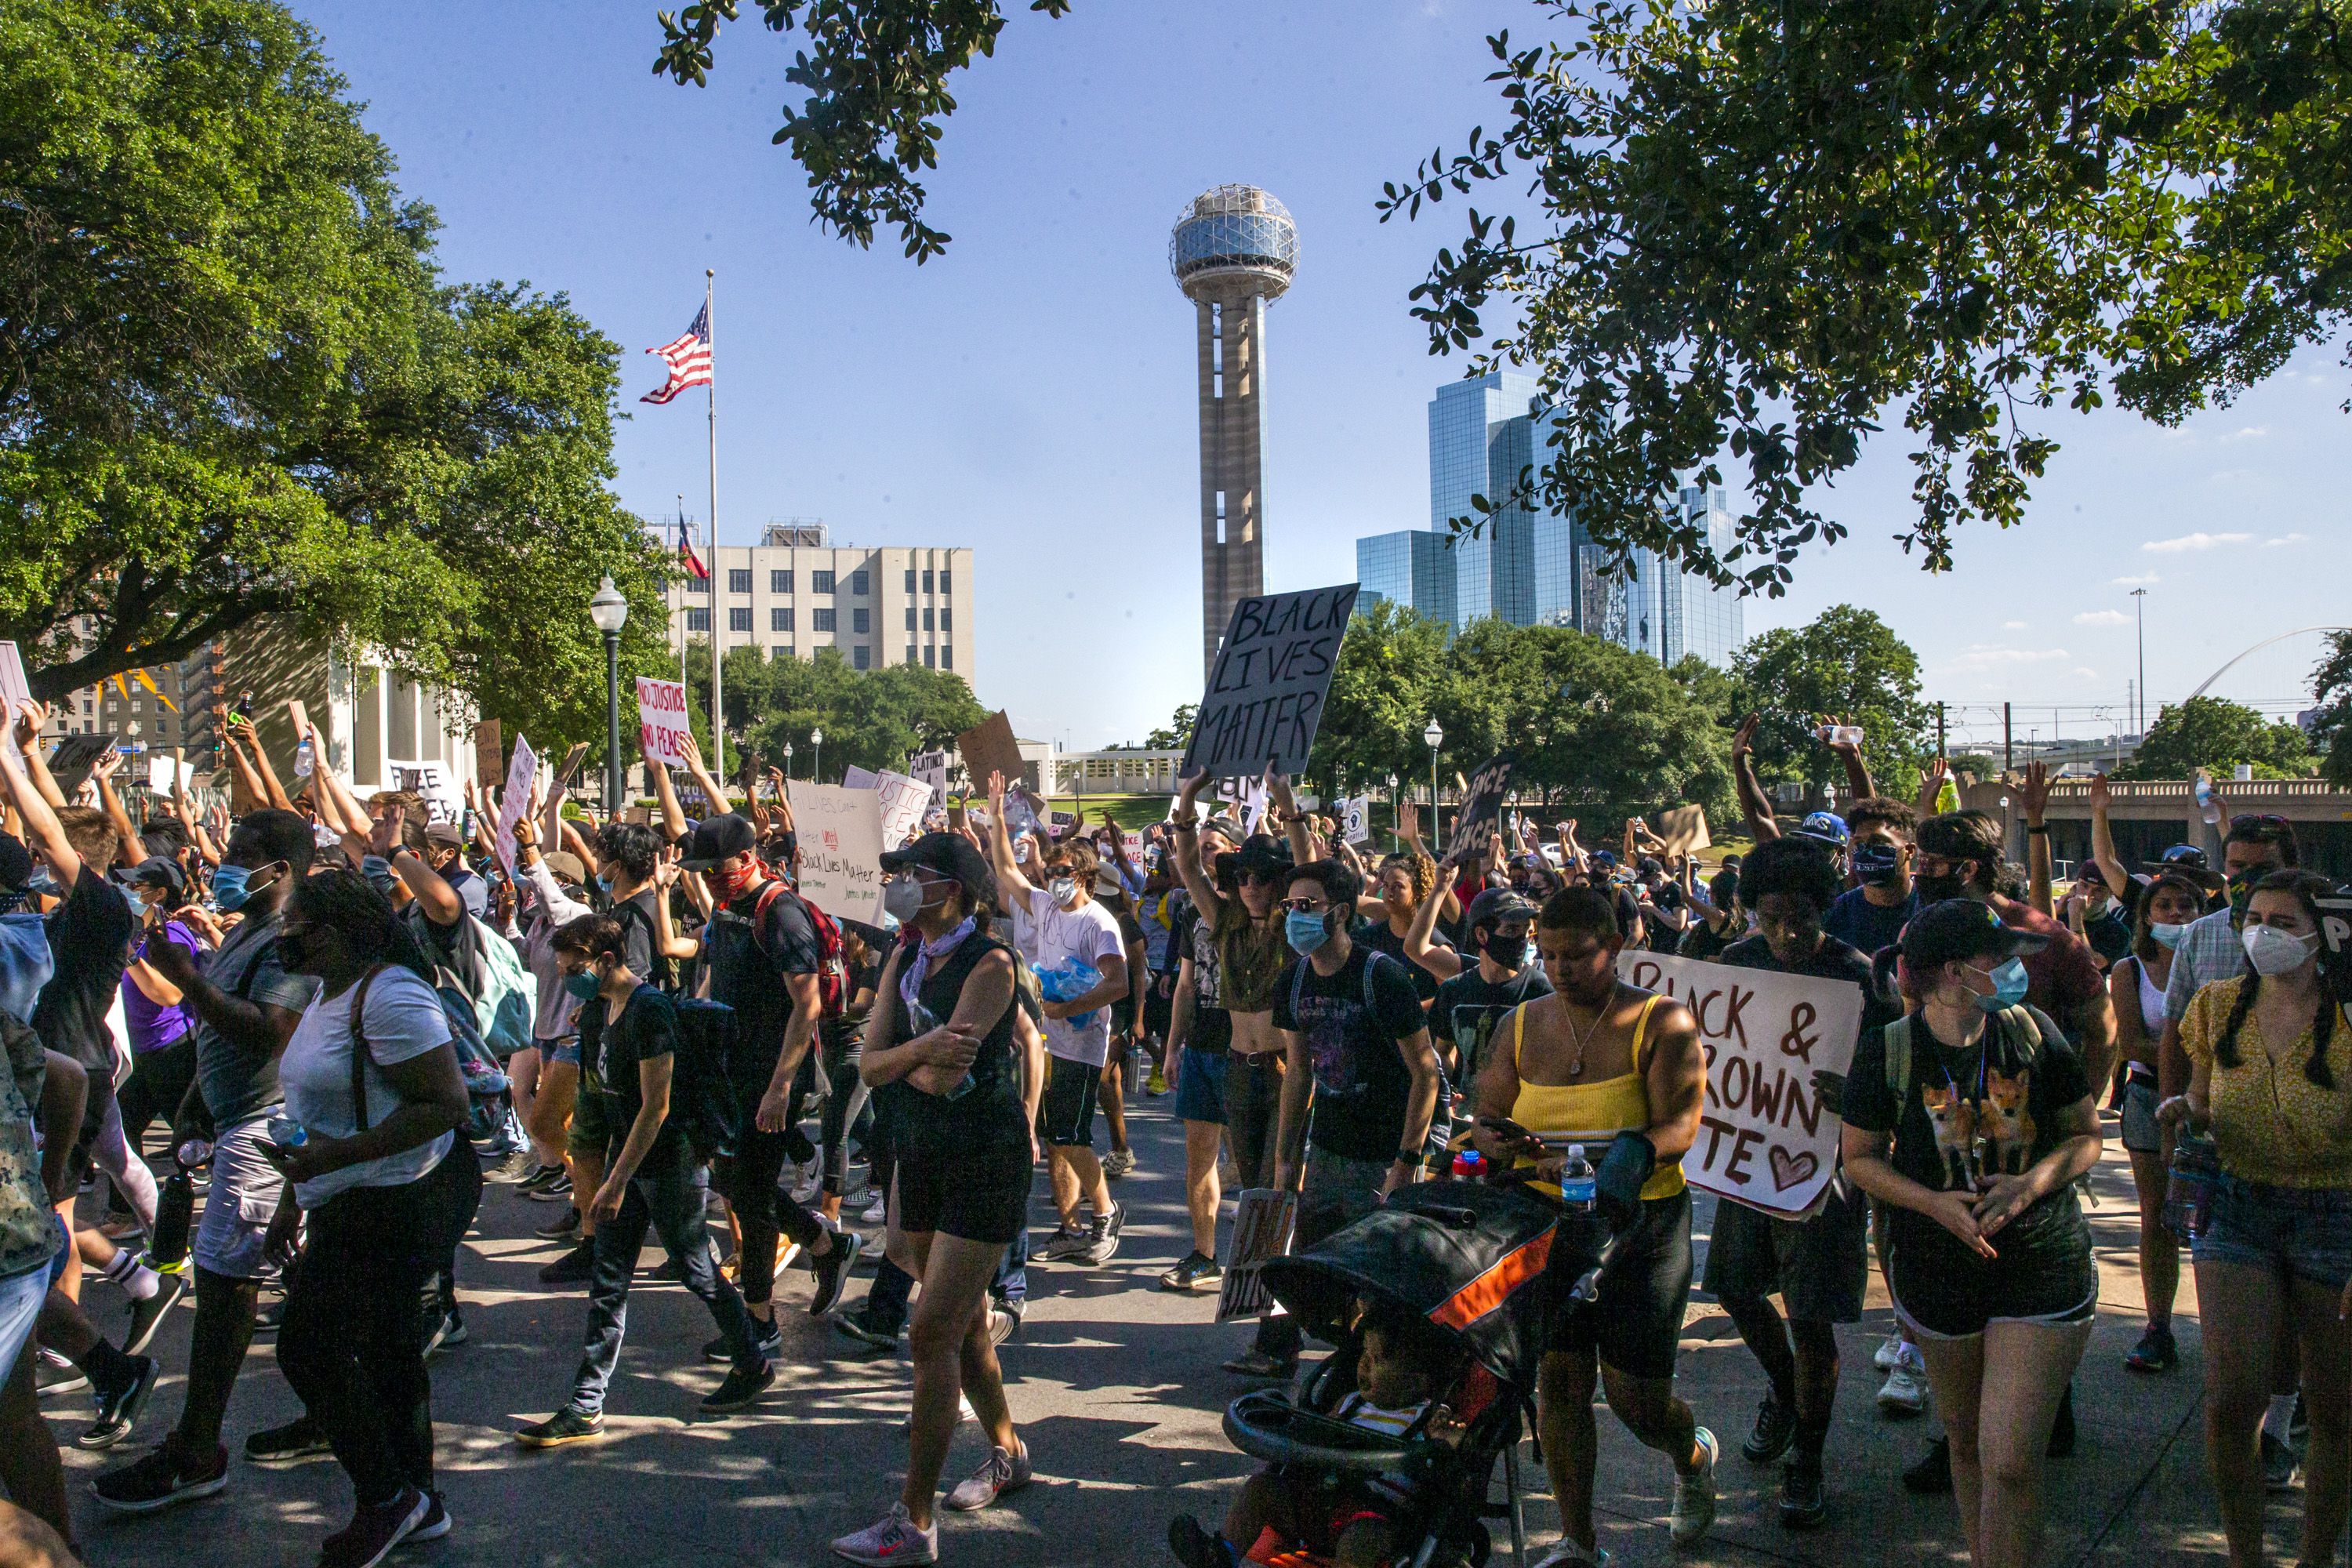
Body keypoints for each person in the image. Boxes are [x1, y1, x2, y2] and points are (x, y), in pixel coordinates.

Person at [1840, 900, 2103, 1568]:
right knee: (1965, 1443)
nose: (2016, 970)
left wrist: (2031, 1184)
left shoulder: (2033, 1031)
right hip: (1936, 1269)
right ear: (1956, 972)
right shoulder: (1889, 1050)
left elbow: (2085, 1136)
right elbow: (1862, 1159)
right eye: (2002, 959)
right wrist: (1932, 1203)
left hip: (2042, 1263)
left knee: (2011, 1460)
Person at [1471, 886, 1714, 1565]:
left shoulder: (1662, 1021)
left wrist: (1613, 1156)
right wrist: (1495, 1144)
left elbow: (1679, 1127)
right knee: (1561, 1386)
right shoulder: (1521, 1025)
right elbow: (1485, 1112)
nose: (1559, 968)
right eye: (1548, 955)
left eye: (1576, 955)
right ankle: (1578, 1543)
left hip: (1643, 1227)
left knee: (1638, 1401)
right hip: (1550, 1226)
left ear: (1614, 947)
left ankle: (1691, 1456)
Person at [91, 807, 321, 1512]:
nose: (224, 864)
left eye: (241, 853)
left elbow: (266, 1033)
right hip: (234, 1122)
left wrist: (184, 977)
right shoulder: (249, 930)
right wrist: (195, 1096)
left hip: (265, 1129)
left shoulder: (287, 940)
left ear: (279, 869)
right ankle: (340, 1412)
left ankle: (196, 1450)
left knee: (225, 1285)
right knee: (304, 1285)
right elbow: (220, 1034)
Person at [832, 832, 1038, 1566]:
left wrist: (901, 1065)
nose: (899, 884)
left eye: (912, 874)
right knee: (966, 1326)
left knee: (930, 1333)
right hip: (919, 1156)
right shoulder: (904, 955)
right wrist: (917, 1055)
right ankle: (1009, 1450)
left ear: (950, 887)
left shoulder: (990, 963)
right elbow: (871, 1061)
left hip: (983, 1162)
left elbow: (947, 1078)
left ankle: (914, 1519)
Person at [265, 869, 481, 1565]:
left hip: (399, 1199)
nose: (284, 936)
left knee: (307, 1345)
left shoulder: (390, 995)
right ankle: (416, 1499)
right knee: (388, 1349)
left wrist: (339, 1158)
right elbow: (311, 1116)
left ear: (334, 932)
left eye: (295, 925)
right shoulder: (332, 994)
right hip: (348, 1195)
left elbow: (445, 1104)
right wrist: (291, 1203)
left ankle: (388, 1498)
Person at [515, 912, 773, 1447]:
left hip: (668, 1164)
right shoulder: (596, 1012)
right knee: (608, 1283)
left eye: (573, 967)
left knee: (696, 1268)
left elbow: (656, 1107)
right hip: (625, 1164)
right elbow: (603, 1101)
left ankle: (751, 1362)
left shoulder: (650, 1012)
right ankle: (587, 1404)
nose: (567, 977)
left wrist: (615, 1181)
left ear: (606, 960)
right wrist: (605, 1171)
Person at [1700, 836, 1896, 1528]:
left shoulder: (1861, 977)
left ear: (1824, 912)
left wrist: (1857, 1094)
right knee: (1733, 1286)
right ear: (1751, 911)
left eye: (1802, 920)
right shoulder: (1734, 965)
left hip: (1825, 1174)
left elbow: (1899, 1070)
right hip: (1746, 1161)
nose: (1787, 933)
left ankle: (1807, 1456)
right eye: (1772, 918)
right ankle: (1784, 1393)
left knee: (1811, 1319)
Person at [2161, 869, 2352, 1568]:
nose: (2263, 932)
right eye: (2254, 917)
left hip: (2339, 1214)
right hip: (2239, 1205)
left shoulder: (2350, 1015)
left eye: (2282, 920)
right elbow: (2202, 1094)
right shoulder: (2217, 1006)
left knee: (2335, 1411)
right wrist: (2187, 1111)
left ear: (2323, 934)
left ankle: (2316, 1557)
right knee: (2230, 1403)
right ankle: (2246, 1557)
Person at [1262, 860, 1443, 1380]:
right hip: (1329, 1149)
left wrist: (1408, 1161)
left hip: (1385, 1151)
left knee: (1381, 1279)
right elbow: (1298, 1074)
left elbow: (1426, 1072)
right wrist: (1285, 1161)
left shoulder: (1379, 976)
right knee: (1317, 1274)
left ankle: (1373, 1381)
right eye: (1289, 906)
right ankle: (1344, 1364)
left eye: (1307, 906)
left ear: (1340, 913)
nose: (1294, 916)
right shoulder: (1293, 982)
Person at [1165, 1305, 1468, 1568]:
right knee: (1260, 1489)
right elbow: (1318, 1435)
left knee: (1359, 1540)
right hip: (1321, 1500)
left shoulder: (1427, 1415)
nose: (1363, 1365)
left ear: (1418, 1378)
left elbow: (1444, 1459)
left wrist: (1447, 1441)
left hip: (1376, 1515)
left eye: (1378, 1359)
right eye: (1364, 1352)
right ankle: (1220, 1555)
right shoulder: (1351, 1403)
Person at [984, 773, 1127, 1267]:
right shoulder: (1044, 906)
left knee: (1071, 1134)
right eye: (1050, 869)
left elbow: (1119, 982)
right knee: (1052, 1136)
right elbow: (1005, 869)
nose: (1051, 876)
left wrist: (1069, 1007)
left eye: (1062, 870)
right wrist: (996, 818)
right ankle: (1069, 1227)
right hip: (1044, 1042)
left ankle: (1106, 1212)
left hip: (1081, 1044)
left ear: (1084, 876)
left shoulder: (1099, 923)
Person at [1165, 775, 1296, 1298]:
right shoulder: (1223, 924)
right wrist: (1188, 802)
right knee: (1256, 1184)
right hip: (1237, 1070)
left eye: (1263, 877)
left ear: (1281, 882)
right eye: (1242, 877)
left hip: (1285, 1072)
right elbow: (1190, 869)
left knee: (1277, 1184)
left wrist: (1286, 804)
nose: (1250, 886)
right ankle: (1265, 1304)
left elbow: (1309, 868)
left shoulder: (1297, 928)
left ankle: (1275, 1312)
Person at [2108, 871, 2209, 1375]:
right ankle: (2159, 1326)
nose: (2174, 914)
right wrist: (2200, 1058)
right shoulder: (2129, 970)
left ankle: (2223, 1330)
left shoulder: (2218, 962)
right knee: (2157, 1216)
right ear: (2146, 916)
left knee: (2217, 1220)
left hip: (2213, 1103)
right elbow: (2132, 1046)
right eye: (2163, 905)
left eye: (2185, 905)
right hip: (2149, 1097)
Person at [1403, 877, 1551, 1140]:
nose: (1521, 941)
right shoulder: (1455, 990)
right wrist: (1444, 1088)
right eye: (1511, 931)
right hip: (1468, 1121)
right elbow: (1444, 1051)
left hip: (1525, 1124)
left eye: (1526, 933)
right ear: (1482, 935)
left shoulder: (1540, 991)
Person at [1823, 797, 1919, 958]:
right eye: (1860, 843)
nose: (1867, 851)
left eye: (1878, 842)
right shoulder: (1835, 914)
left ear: (1909, 851)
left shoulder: (1929, 911)